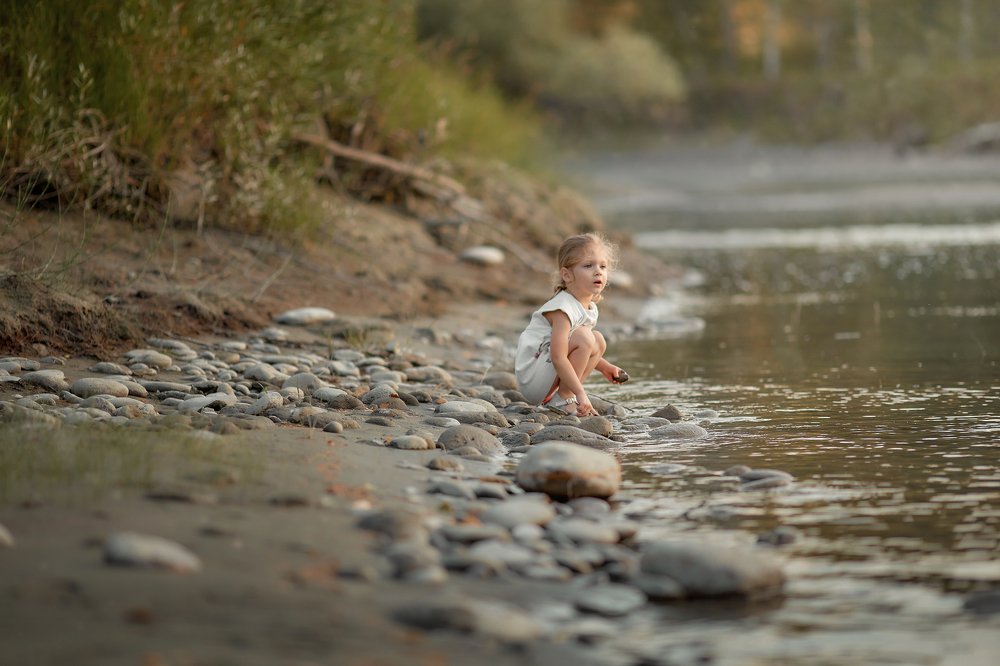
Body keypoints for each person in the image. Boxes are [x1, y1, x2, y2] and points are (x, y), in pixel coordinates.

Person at [515, 232, 627, 417]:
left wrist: (605, 367)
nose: (598, 271)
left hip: (546, 374)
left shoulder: (589, 307)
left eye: (603, 266)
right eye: (588, 265)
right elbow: (559, 356)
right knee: (585, 336)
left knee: (597, 340)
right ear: (567, 275)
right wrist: (581, 394)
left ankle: (562, 396)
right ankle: (565, 396)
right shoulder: (562, 308)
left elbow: (576, 349)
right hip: (533, 378)